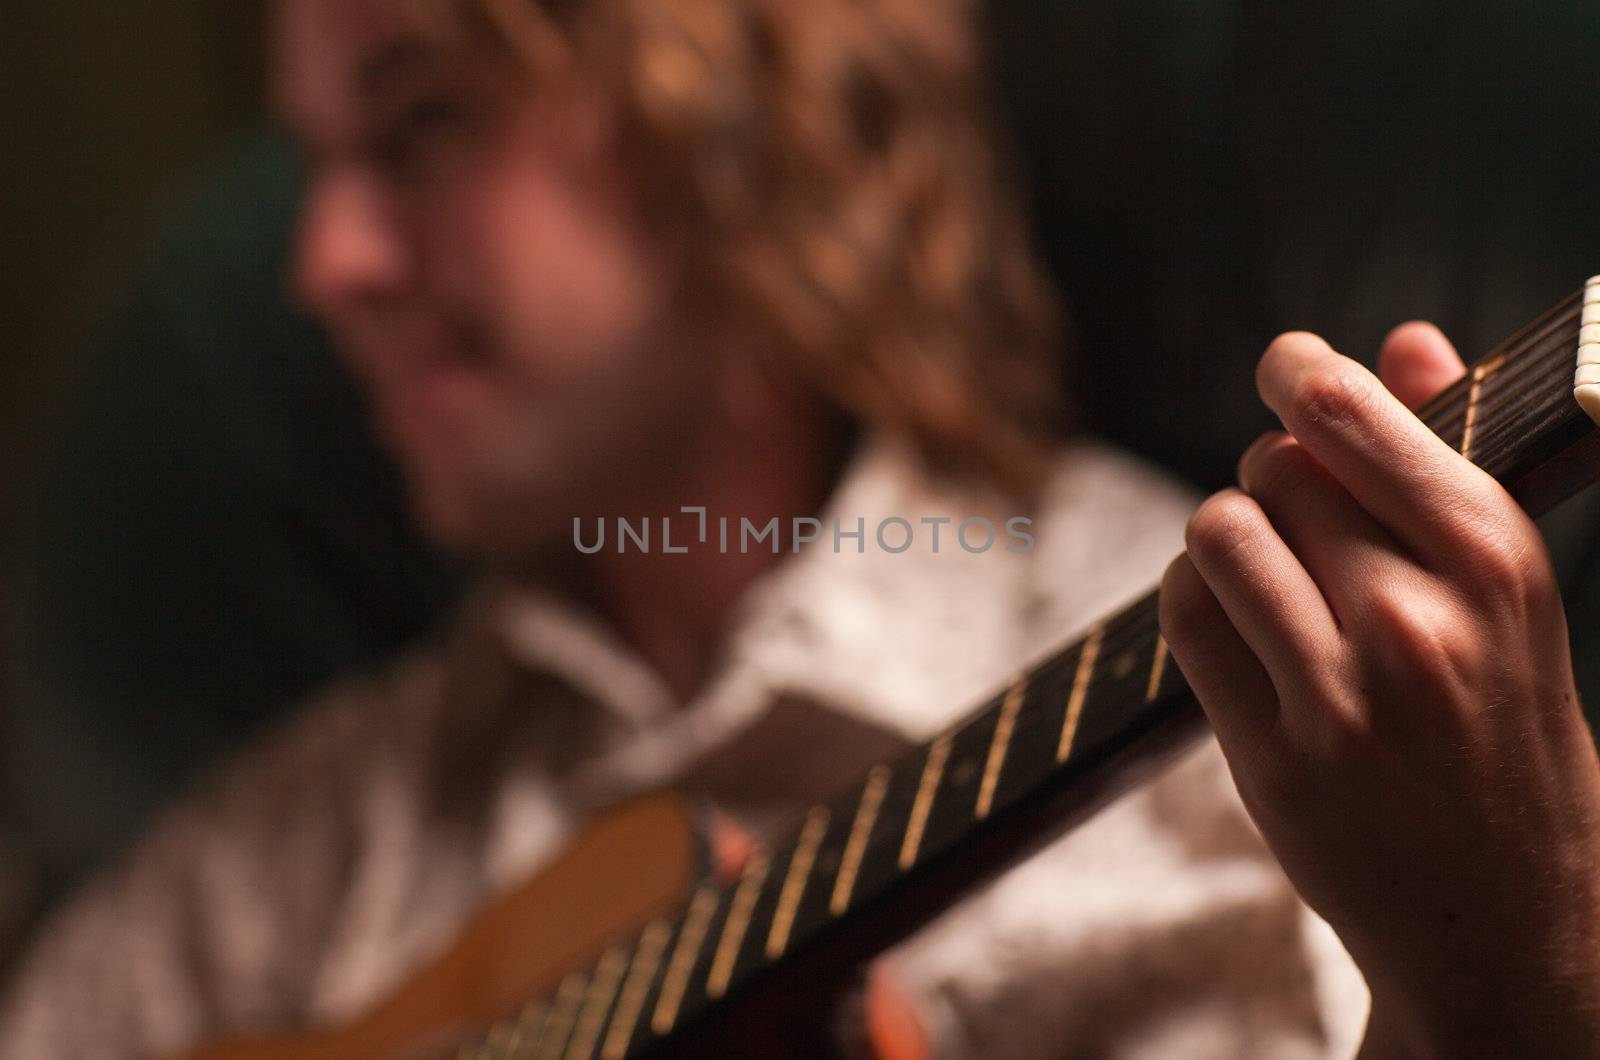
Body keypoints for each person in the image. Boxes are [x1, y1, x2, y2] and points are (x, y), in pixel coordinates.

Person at [3, 1, 1598, 1058]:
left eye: (419, 122)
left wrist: (1504, 977)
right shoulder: (278, 859)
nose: (324, 262)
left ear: (727, 112)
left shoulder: (1231, 701)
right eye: (316, 165)